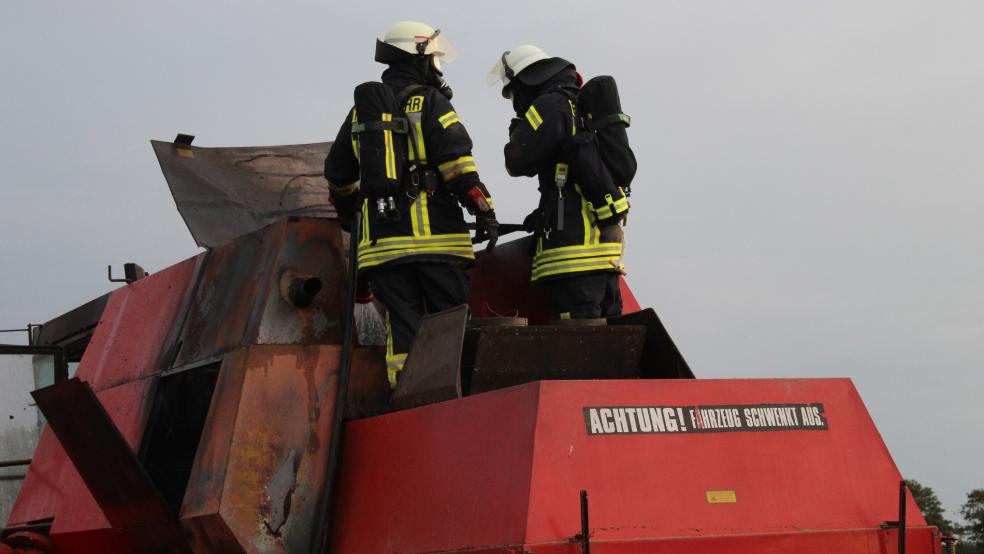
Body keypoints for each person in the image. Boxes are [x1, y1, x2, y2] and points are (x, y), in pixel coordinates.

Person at [324, 21, 497, 386]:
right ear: (418, 55)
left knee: (403, 329)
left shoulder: (360, 114)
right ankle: (460, 399)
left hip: (384, 250)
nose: (438, 66)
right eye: (435, 57)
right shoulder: (430, 101)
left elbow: (338, 175)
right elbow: (458, 164)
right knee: (450, 324)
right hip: (439, 243)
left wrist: (350, 215)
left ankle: (408, 401)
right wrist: (484, 209)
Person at [487, 45, 629, 321]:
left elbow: (517, 161)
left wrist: (517, 128)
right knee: (608, 348)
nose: (516, 101)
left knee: (578, 350)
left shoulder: (550, 105)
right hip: (605, 255)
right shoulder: (580, 105)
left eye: (514, 92)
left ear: (525, 80)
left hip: (573, 257)